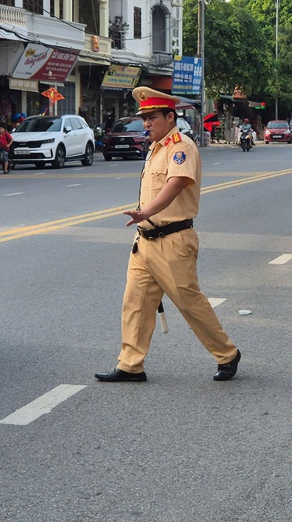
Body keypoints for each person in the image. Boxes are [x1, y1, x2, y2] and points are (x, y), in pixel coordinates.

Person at [95, 87, 241, 383]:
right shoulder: (156, 148)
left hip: (173, 240)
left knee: (189, 303)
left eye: (152, 117)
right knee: (135, 303)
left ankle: (227, 354)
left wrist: (146, 211)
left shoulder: (180, 146)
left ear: (170, 117)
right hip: (144, 242)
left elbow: (175, 185)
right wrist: (144, 219)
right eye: (144, 118)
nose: (146, 123)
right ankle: (131, 365)